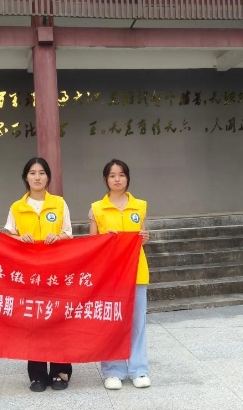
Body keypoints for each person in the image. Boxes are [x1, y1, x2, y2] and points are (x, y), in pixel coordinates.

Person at [4, 157, 73, 392]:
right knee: (33, 322)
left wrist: (58, 236)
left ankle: (61, 371)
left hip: (56, 273)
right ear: (26, 177)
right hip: (29, 274)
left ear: (48, 177)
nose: (37, 177)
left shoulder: (59, 203)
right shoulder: (17, 207)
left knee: (58, 320)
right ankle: (37, 375)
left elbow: (69, 233)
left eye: (42, 173)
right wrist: (19, 238)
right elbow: (7, 237)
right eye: (32, 173)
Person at [89, 159, 151, 390]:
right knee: (112, 322)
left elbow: (142, 234)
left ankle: (138, 369)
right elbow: (92, 242)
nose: (117, 179)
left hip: (136, 271)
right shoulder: (97, 208)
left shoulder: (140, 206)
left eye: (121, 175)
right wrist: (105, 239)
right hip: (110, 274)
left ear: (127, 178)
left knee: (137, 323)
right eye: (112, 175)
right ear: (106, 179)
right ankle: (113, 370)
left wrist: (144, 238)